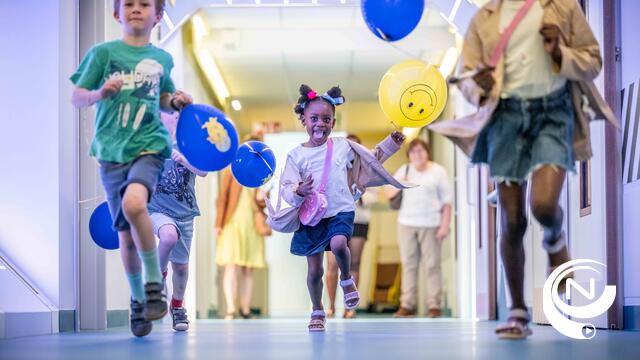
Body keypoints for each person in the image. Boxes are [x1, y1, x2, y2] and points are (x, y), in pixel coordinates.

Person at [429, 0, 617, 339]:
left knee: (543, 205)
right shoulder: (485, 18)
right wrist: (480, 85)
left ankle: (554, 238)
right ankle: (517, 310)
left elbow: (592, 61)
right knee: (512, 219)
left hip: (553, 112)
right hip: (505, 118)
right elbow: (467, 81)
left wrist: (560, 52)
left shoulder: (562, 7)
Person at [70, 0, 193, 337]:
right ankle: (139, 300)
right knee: (125, 235)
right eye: (129, 3)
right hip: (111, 152)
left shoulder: (161, 60)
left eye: (144, 4)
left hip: (149, 147)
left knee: (135, 204)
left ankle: (155, 283)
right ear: (116, 13)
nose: (136, 8)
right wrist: (97, 93)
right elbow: (77, 96)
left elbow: (165, 98)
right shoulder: (103, 54)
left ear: (157, 16)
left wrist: (178, 101)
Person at [281, 84, 405, 331]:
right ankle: (317, 309)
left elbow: (370, 159)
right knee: (315, 269)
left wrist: (390, 144)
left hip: (340, 210)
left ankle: (347, 280)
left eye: (326, 119)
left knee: (339, 244)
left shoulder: (342, 146)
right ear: (303, 120)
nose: (320, 124)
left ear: (333, 122)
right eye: (314, 118)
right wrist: (297, 191)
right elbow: (286, 185)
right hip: (312, 216)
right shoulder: (296, 155)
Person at [148, 112, 207, 332]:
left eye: (176, 113)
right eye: (168, 112)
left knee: (181, 267)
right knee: (168, 236)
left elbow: (204, 172)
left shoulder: (189, 144)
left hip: (185, 213)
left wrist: (184, 160)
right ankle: (158, 275)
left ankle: (177, 305)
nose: (173, 116)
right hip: (157, 209)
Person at [386, 139, 452, 319]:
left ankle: (434, 305)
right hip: (406, 223)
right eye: (413, 152)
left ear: (427, 152)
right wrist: (401, 182)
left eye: (420, 151)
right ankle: (407, 305)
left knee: (432, 265)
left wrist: (445, 225)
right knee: (409, 265)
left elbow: (447, 202)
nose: (417, 155)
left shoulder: (438, 171)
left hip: (431, 223)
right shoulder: (405, 170)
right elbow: (388, 193)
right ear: (409, 155)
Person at [325, 134, 378, 319]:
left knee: (354, 263)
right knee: (332, 264)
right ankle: (331, 306)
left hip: (358, 220)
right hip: (335, 220)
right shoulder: (332, 166)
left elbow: (375, 195)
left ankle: (350, 307)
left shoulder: (367, 168)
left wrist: (358, 194)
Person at [215, 139, 268, 320]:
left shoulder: (260, 172)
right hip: (232, 222)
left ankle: (245, 309)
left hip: (251, 223)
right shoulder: (230, 169)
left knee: (248, 268)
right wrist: (218, 223)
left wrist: (262, 196)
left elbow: (261, 203)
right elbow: (222, 198)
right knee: (232, 265)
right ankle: (231, 308)